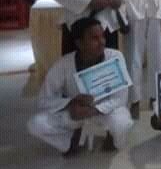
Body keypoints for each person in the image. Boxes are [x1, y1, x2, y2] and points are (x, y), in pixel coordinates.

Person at [27, 17, 133, 155]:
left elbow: (121, 98)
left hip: (106, 111)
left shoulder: (115, 57)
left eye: (102, 36)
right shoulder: (63, 64)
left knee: (121, 123)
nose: (102, 42)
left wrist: (95, 110)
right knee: (36, 124)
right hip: (76, 113)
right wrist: (70, 103)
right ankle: (68, 141)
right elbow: (43, 100)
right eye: (94, 38)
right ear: (79, 43)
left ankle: (113, 138)